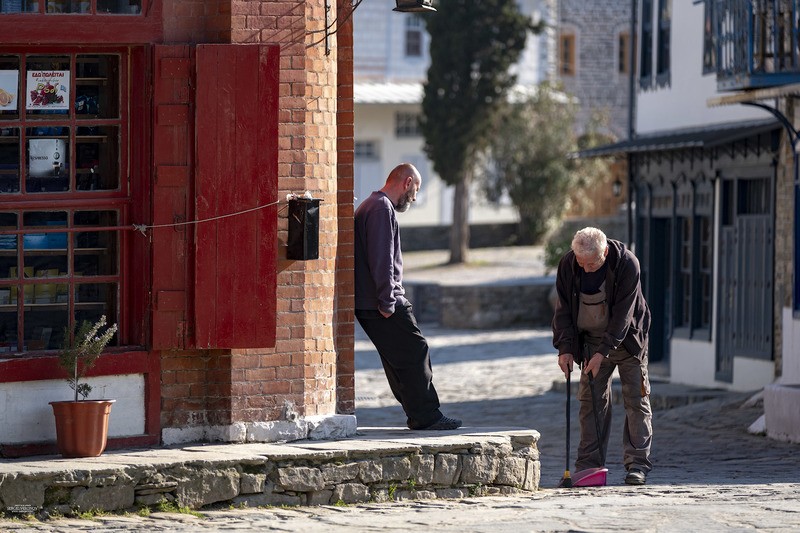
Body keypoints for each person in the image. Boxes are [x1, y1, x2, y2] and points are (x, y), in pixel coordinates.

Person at [354, 163, 462, 431]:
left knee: (399, 360)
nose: (414, 197)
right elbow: (382, 260)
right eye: (416, 190)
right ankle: (427, 416)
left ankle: (418, 414)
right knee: (416, 352)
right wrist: (388, 302)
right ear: (407, 181)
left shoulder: (373, 205)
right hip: (381, 303)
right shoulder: (380, 208)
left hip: (371, 302)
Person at [552, 227, 652, 485]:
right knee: (590, 402)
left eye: (592, 263)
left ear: (605, 252)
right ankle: (589, 466)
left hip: (629, 340)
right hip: (590, 341)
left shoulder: (627, 263)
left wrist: (603, 353)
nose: (585, 268)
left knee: (636, 400)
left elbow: (623, 316)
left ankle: (637, 464)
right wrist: (565, 349)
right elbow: (563, 310)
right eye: (581, 263)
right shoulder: (568, 264)